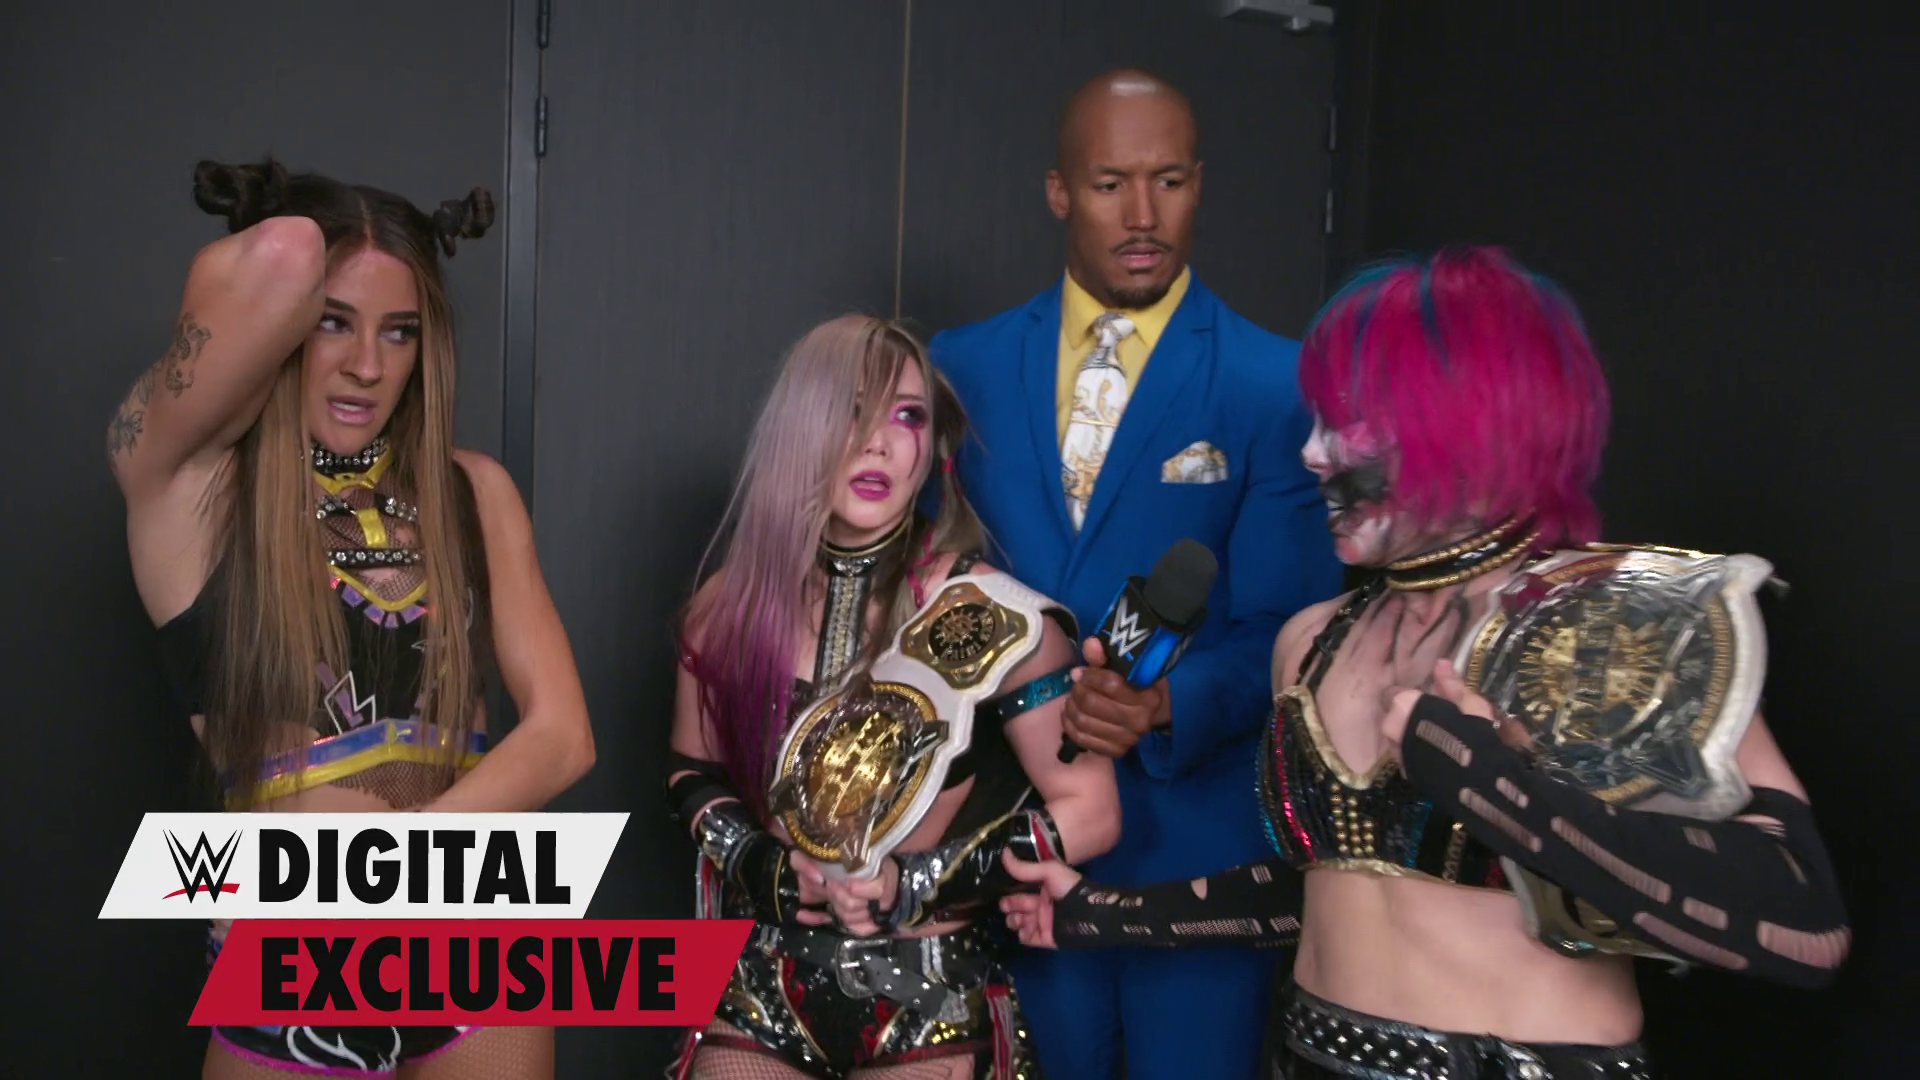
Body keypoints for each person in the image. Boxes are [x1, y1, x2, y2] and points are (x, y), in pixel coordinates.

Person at [998, 246, 1852, 1078]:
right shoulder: (1314, 640)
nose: (1313, 453)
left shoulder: (1613, 619)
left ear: (1469, 419)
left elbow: (1805, 924)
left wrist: (1493, 787)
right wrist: (1109, 913)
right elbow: (1340, 888)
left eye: (1347, 418)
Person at [108, 159, 596, 1079]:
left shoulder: (471, 491)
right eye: (334, 320)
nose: (367, 366)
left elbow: (564, 736)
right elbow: (284, 253)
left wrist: (397, 868)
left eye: (398, 332)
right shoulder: (191, 489)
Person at [928, 69, 1342, 1079]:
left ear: (1200, 185)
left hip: (1197, 854)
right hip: (1014, 845)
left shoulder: (1273, 382)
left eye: (1170, 181)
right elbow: (930, 593)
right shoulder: (958, 367)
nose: (1144, 215)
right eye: (1111, 184)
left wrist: (1162, 708)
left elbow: (1294, 628)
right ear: (1059, 191)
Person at [665, 315, 1122, 1080]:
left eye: (906, 415)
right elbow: (690, 771)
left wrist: (916, 881)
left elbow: (1093, 811)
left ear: (933, 445)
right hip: (761, 986)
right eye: (850, 412)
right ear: (799, 430)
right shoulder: (730, 605)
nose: (878, 442)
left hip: (927, 997)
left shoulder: (995, 615)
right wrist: (761, 863)